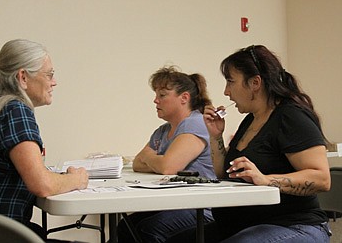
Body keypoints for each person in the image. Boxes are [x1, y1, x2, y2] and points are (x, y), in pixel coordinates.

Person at [166, 45, 332, 243]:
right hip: (245, 226)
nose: (226, 92)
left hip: (294, 225)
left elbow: (322, 179)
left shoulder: (291, 116)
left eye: (230, 82)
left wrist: (265, 179)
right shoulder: (250, 120)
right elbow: (223, 175)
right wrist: (216, 137)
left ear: (255, 83)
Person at [0, 39, 89, 241]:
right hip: (5, 234)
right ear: (23, 77)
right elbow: (42, 185)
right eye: (49, 74)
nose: (54, 82)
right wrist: (77, 179)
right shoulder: (14, 109)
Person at [117, 66, 216, 243]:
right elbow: (137, 163)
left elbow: (167, 167)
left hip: (200, 206)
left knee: (148, 231)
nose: (155, 101)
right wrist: (157, 161)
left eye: (162, 95)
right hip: (176, 202)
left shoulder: (195, 123)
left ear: (184, 98)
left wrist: (151, 158)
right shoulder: (163, 130)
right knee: (126, 226)